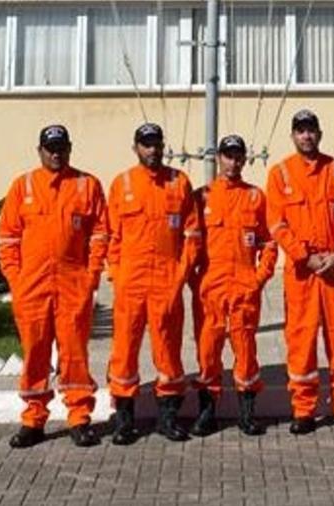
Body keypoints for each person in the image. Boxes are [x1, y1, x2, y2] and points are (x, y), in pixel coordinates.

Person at [0, 124, 108, 448]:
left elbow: (100, 235)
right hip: (31, 286)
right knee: (36, 354)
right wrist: (17, 280)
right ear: (40, 151)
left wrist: (91, 276)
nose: (55, 153)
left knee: (75, 354)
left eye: (61, 147)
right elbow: (7, 238)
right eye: (50, 148)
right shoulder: (23, 186)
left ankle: (78, 418)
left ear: (70, 148)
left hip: (73, 284)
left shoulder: (87, 185)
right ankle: (33, 420)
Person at [265, 109, 334, 435]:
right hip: (303, 273)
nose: (306, 136)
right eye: (300, 131)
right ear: (293, 136)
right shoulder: (280, 174)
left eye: (311, 130)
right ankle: (304, 410)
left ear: (319, 134)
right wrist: (303, 256)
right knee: (301, 340)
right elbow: (276, 223)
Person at [106, 123, 200, 445]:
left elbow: (192, 236)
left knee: (169, 353)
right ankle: (124, 421)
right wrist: (118, 276)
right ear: (135, 147)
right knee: (124, 352)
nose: (153, 150)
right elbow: (112, 239)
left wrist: (180, 275)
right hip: (130, 283)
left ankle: (168, 418)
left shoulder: (179, 182)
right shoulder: (122, 184)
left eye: (157, 144)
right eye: (146, 145)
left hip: (167, 283)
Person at [188, 134, 278, 437]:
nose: (233, 161)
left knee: (246, 349)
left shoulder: (256, 197)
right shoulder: (202, 197)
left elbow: (268, 243)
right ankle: (206, 413)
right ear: (218, 158)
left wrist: (259, 277)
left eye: (238, 156)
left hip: (244, 286)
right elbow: (188, 245)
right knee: (208, 350)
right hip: (210, 286)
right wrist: (193, 280)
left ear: (244, 159)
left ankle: (247, 413)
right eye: (228, 155)